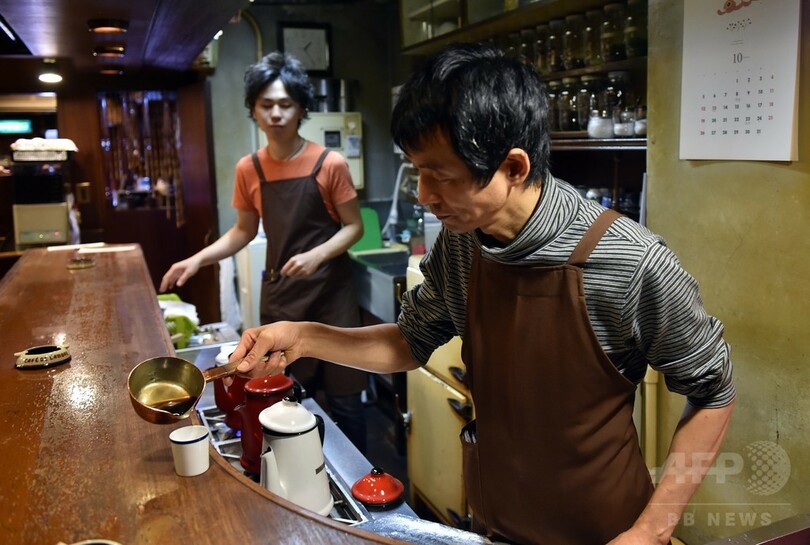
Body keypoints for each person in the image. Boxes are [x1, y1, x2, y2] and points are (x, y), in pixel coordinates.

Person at [229, 43, 735, 545]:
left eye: (440, 175)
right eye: (417, 169)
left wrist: (652, 530)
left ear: (513, 168)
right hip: (495, 520)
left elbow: (714, 393)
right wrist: (304, 336)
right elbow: (407, 343)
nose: (423, 194)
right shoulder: (462, 243)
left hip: (606, 531)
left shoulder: (629, 261)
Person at [159, 51, 368, 453]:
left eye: (285, 104)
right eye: (266, 104)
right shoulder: (248, 169)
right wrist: (198, 258)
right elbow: (242, 230)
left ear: (301, 108)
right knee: (285, 394)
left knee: (345, 398)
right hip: (284, 297)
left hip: (333, 297)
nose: (275, 113)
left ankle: (362, 492)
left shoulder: (330, 163)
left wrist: (317, 255)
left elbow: (354, 226)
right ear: (253, 109)